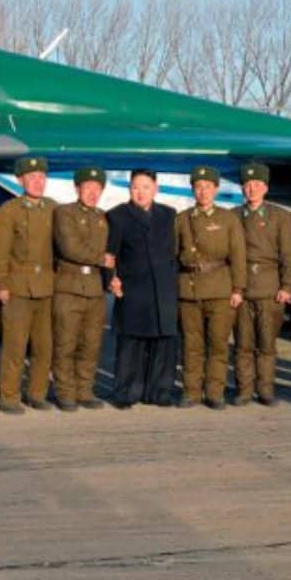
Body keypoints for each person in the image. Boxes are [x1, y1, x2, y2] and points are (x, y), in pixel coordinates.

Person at [104, 168, 180, 408]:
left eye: (146, 187)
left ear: (155, 188)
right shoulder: (117, 216)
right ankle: (126, 392)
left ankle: (160, 392)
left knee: (163, 343)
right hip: (134, 289)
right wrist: (111, 278)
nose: (140, 192)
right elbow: (109, 255)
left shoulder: (168, 215)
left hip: (163, 289)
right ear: (129, 189)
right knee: (131, 344)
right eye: (135, 187)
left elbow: (175, 250)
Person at [175, 166, 246, 409]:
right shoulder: (182, 219)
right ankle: (191, 391)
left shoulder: (228, 219)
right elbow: (174, 255)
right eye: (198, 187)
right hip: (189, 290)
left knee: (217, 344)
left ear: (216, 189)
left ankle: (215, 392)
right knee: (191, 345)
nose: (203, 191)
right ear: (193, 189)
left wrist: (238, 289)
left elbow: (238, 255)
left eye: (208, 187)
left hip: (219, 289)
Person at [0, 156, 56, 414]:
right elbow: (0, 252)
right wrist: (1, 283)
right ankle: (8, 396)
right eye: (31, 178)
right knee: (15, 346)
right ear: (20, 180)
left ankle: (37, 393)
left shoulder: (53, 208)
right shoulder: (10, 210)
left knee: (44, 346)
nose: (37, 182)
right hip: (18, 287)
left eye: (41, 177)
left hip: (47, 286)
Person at [232, 162, 291, 407]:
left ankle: (266, 389)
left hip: (270, 288)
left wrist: (287, 286)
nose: (252, 189)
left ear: (266, 188)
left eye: (257, 184)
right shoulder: (234, 215)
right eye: (247, 185)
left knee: (267, 344)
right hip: (243, 286)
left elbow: (288, 254)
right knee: (243, 343)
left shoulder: (279, 216)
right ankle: (244, 390)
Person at [52, 166, 111, 411]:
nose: (93, 193)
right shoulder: (64, 213)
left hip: (95, 290)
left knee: (91, 343)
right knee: (66, 343)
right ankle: (65, 392)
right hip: (69, 288)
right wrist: (101, 259)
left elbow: (114, 251)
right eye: (88, 188)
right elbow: (70, 248)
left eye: (97, 189)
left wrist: (113, 277)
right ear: (77, 188)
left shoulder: (103, 217)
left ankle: (84, 390)